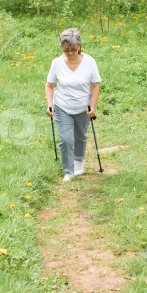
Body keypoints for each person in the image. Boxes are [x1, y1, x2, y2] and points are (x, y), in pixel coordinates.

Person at [45, 28, 101, 182]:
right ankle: (69, 171)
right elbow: (49, 86)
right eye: (66, 50)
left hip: (83, 106)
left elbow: (95, 85)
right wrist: (50, 104)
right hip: (62, 106)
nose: (70, 53)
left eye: (73, 50)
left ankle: (78, 161)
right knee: (66, 140)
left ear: (79, 47)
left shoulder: (89, 62)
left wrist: (92, 106)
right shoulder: (57, 63)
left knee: (81, 136)